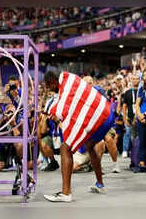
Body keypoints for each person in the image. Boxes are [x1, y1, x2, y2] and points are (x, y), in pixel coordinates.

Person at [43, 71, 115, 202]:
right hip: (107, 116)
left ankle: (66, 193)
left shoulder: (67, 81)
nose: (49, 90)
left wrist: (51, 112)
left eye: (49, 87)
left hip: (100, 117)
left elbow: (61, 109)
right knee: (89, 146)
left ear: (52, 82)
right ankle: (100, 184)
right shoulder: (70, 81)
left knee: (65, 148)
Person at [122, 74, 140, 158]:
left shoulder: (141, 91)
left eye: (137, 79)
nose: (135, 80)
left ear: (139, 80)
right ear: (131, 81)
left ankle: (135, 151)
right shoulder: (127, 92)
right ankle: (125, 150)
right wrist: (124, 118)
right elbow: (124, 106)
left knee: (136, 136)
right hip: (129, 116)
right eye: (133, 79)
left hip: (139, 116)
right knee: (127, 133)